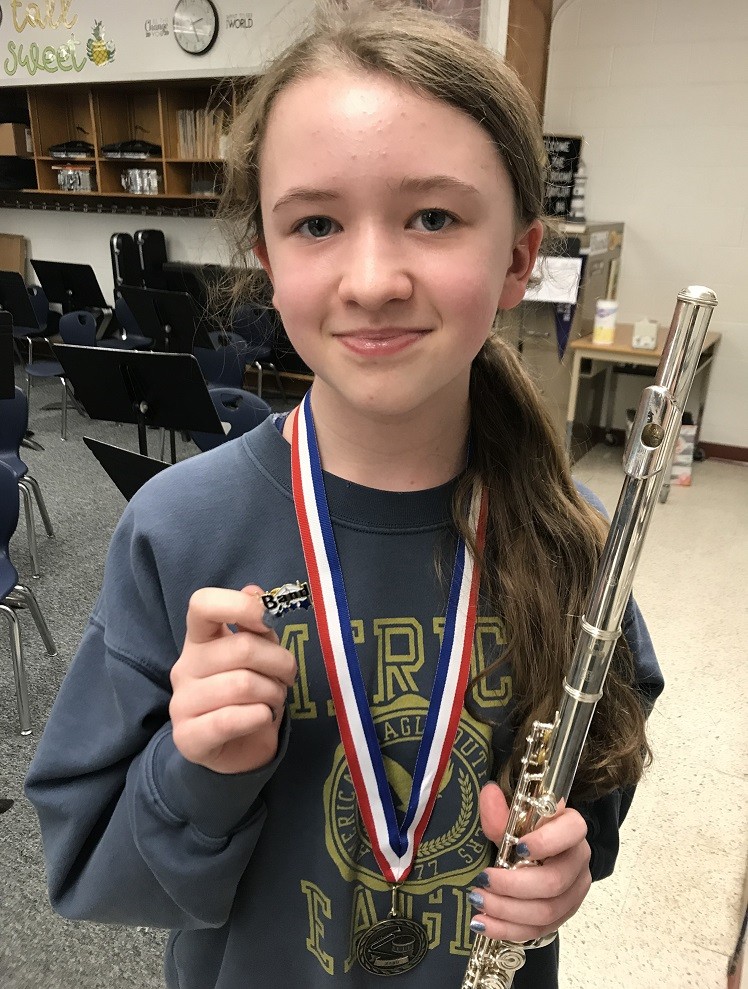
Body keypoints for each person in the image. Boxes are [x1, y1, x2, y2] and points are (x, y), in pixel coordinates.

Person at [25, 3, 663, 987]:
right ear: (268, 262)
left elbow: (600, 771)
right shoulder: (176, 530)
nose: (372, 279)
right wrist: (194, 774)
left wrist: (574, 856)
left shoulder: (572, 534)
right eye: (317, 222)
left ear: (515, 259)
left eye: (434, 217)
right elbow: (93, 874)